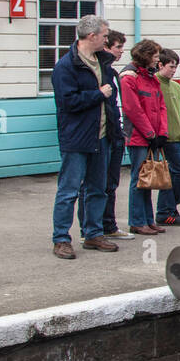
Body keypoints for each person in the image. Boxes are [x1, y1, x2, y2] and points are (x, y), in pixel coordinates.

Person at [50, 15, 121, 257]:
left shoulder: (103, 62)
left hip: (101, 136)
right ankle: (61, 239)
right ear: (91, 36)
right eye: (104, 35)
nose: (107, 39)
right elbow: (67, 102)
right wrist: (98, 94)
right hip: (77, 138)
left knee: (97, 189)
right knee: (69, 190)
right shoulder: (66, 66)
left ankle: (93, 234)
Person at [79, 29, 134, 239]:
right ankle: (89, 229)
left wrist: (121, 131)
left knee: (111, 183)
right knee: (93, 185)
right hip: (99, 135)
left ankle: (108, 225)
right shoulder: (98, 72)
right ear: (106, 47)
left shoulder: (111, 72)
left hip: (115, 132)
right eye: (118, 47)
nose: (121, 51)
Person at [120, 39, 169, 236]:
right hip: (139, 137)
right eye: (156, 56)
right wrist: (150, 134)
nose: (158, 60)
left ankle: (148, 220)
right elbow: (133, 110)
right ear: (146, 56)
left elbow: (161, 106)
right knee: (139, 180)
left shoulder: (152, 78)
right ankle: (137, 221)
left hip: (152, 137)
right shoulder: (129, 78)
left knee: (149, 180)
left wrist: (162, 133)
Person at [154, 49, 180, 226]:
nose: (173, 70)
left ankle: (168, 209)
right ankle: (166, 209)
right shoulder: (155, 84)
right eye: (171, 66)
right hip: (164, 138)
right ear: (160, 65)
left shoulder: (177, 87)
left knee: (173, 174)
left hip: (177, 136)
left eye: (176, 67)